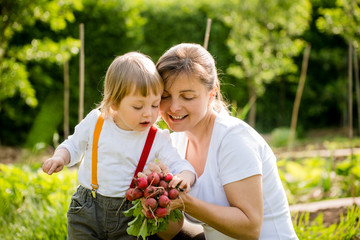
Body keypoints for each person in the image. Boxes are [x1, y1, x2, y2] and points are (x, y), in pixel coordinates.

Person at [148, 43, 298, 239]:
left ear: (212, 93)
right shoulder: (174, 143)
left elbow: (250, 229)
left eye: (187, 96)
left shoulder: (233, 139)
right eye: (165, 96)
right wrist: (157, 200)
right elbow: (170, 234)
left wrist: (185, 202)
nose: (174, 107)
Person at [42, 52, 196, 240]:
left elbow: (179, 164)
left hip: (129, 212)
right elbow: (73, 145)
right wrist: (60, 157)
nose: (148, 114)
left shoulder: (156, 137)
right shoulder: (96, 122)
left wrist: (185, 176)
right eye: (138, 107)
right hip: (87, 206)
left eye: (155, 105)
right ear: (114, 104)